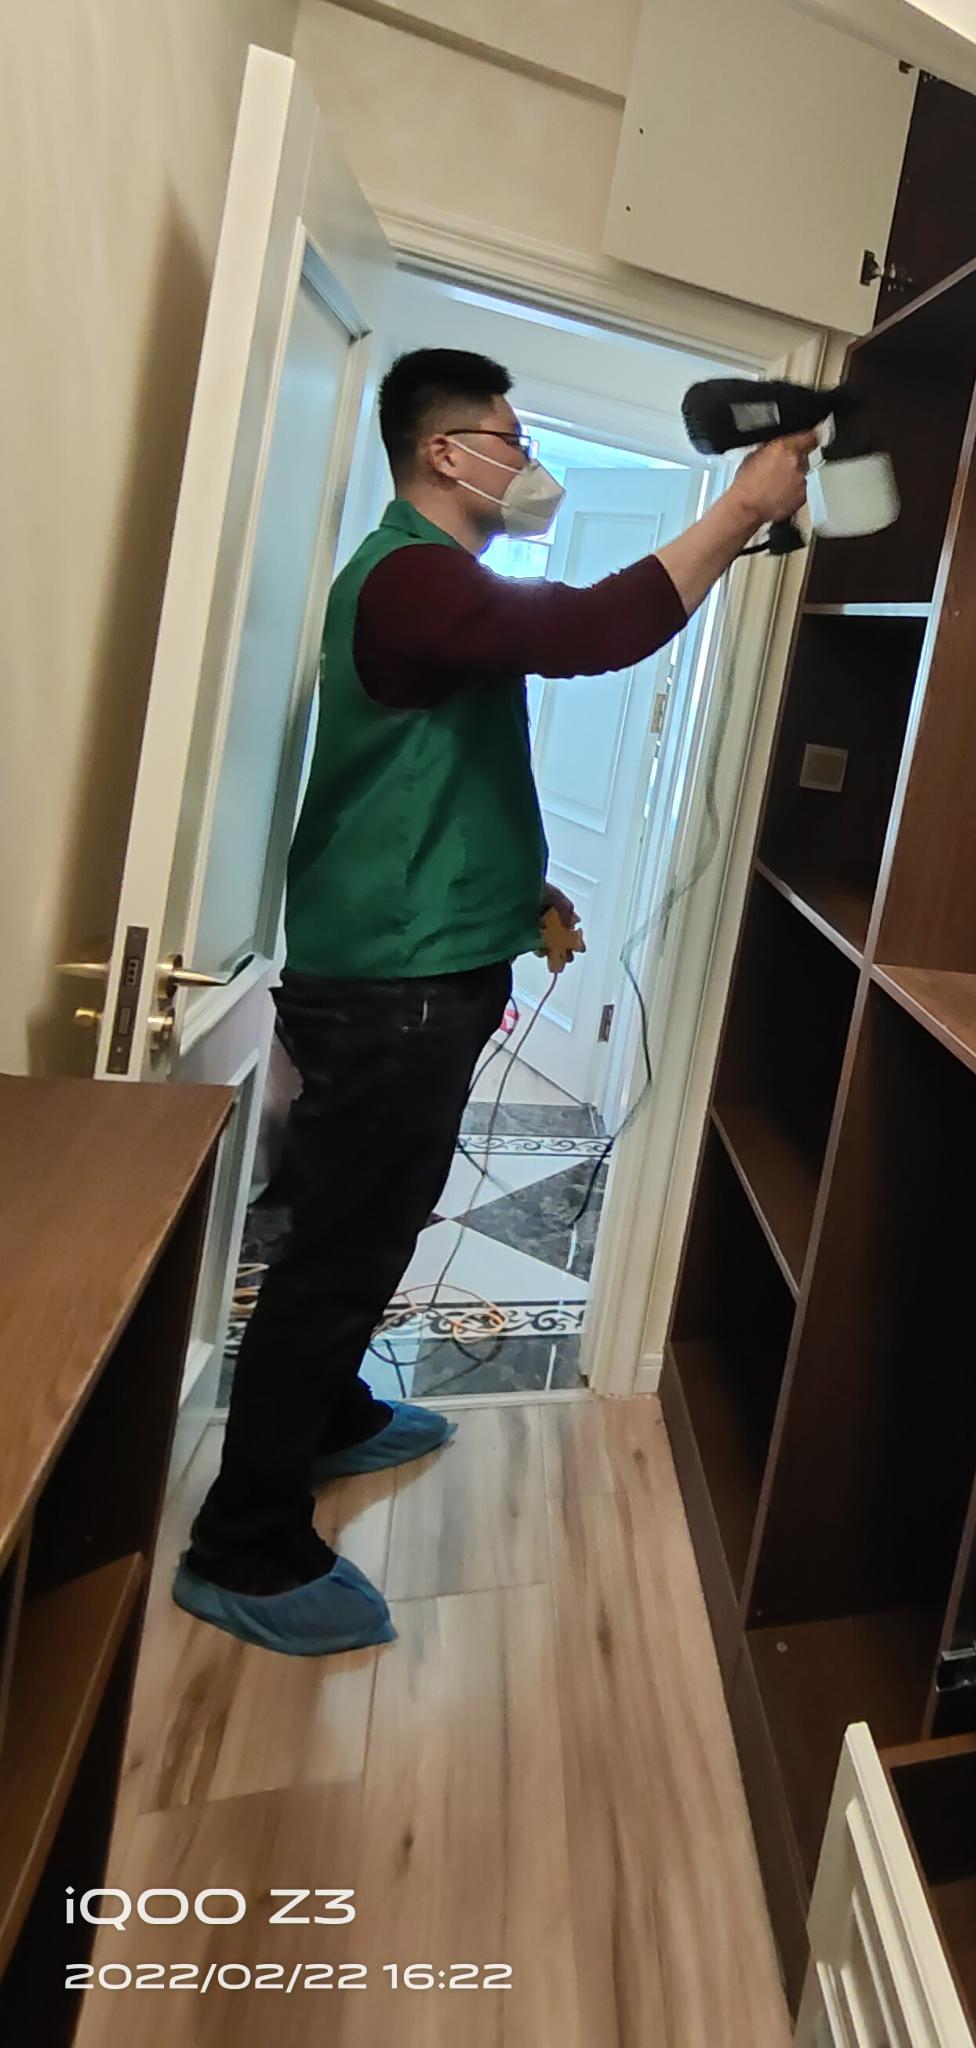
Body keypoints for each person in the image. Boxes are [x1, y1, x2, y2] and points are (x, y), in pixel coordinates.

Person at [175, 346, 809, 1655]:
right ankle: (241, 1543)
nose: (529, 462)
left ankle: (329, 1416)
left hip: (422, 965)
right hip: (391, 985)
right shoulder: (411, 575)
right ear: (446, 452)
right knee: (340, 1248)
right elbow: (588, 634)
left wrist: (522, 887)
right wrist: (744, 507)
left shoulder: (429, 582)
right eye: (511, 439)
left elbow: (434, 771)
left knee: (376, 1226)